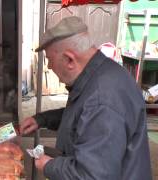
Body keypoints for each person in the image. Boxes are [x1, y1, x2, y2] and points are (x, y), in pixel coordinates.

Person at [20, 16, 152, 180]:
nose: (49, 67)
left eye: (50, 60)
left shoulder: (103, 98)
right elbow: (81, 115)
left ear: (69, 59)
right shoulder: (100, 75)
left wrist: (48, 165)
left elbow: (92, 175)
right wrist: (42, 119)